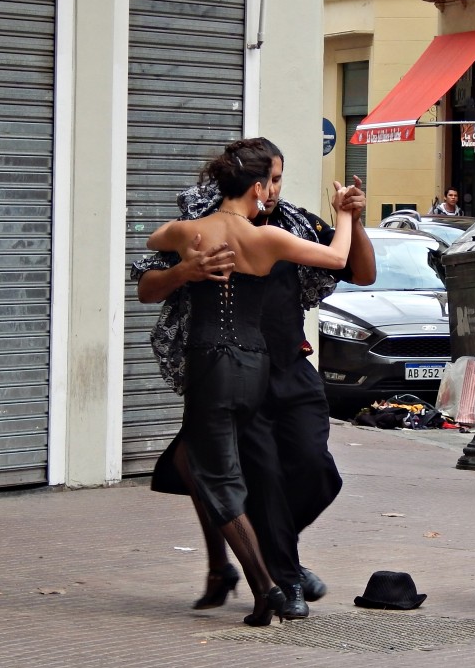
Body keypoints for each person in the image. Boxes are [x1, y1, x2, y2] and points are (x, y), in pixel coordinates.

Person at [132, 139, 376, 621]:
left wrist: (353, 216)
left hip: (282, 366)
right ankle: (280, 577)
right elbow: (146, 284)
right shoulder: (205, 223)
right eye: (275, 179)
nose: (278, 190)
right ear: (257, 183)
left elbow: (357, 270)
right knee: (246, 476)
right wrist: (186, 271)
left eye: (283, 180)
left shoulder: (290, 224)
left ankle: (263, 558)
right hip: (240, 372)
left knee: (312, 469)